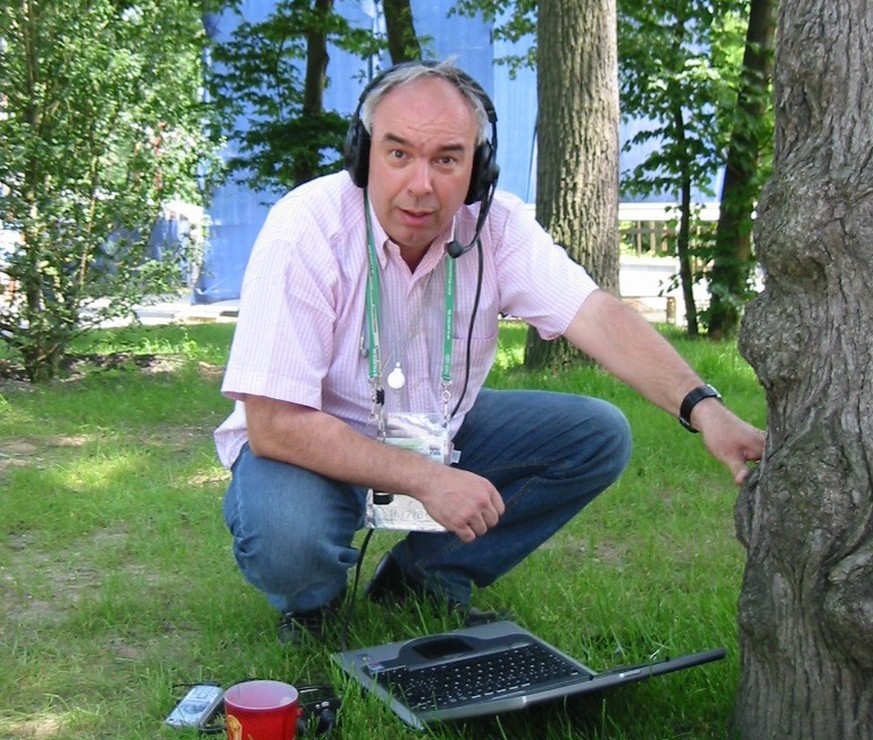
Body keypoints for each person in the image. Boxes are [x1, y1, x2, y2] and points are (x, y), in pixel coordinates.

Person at [214, 59, 765, 644]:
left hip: (437, 427)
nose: (421, 185)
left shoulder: (496, 227)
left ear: (478, 170)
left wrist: (704, 408)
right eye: (398, 154)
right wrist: (428, 480)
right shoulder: (304, 228)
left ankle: (422, 579)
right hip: (312, 447)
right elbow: (275, 424)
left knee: (597, 436)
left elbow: (597, 316)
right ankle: (312, 604)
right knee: (286, 531)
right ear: (363, 154)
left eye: (446, 160)